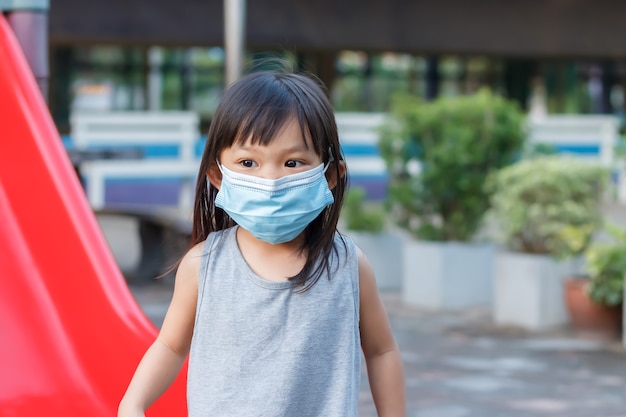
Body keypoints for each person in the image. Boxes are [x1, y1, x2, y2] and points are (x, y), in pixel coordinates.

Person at [118, 67, 406, 417]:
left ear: (329, 175)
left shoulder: (348, 265)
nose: (270, 180)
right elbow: (171, 346)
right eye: (248, 162)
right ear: (216, 175)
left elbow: (381, 351)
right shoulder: (203, 265)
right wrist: (133, 403)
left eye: (292, 162)